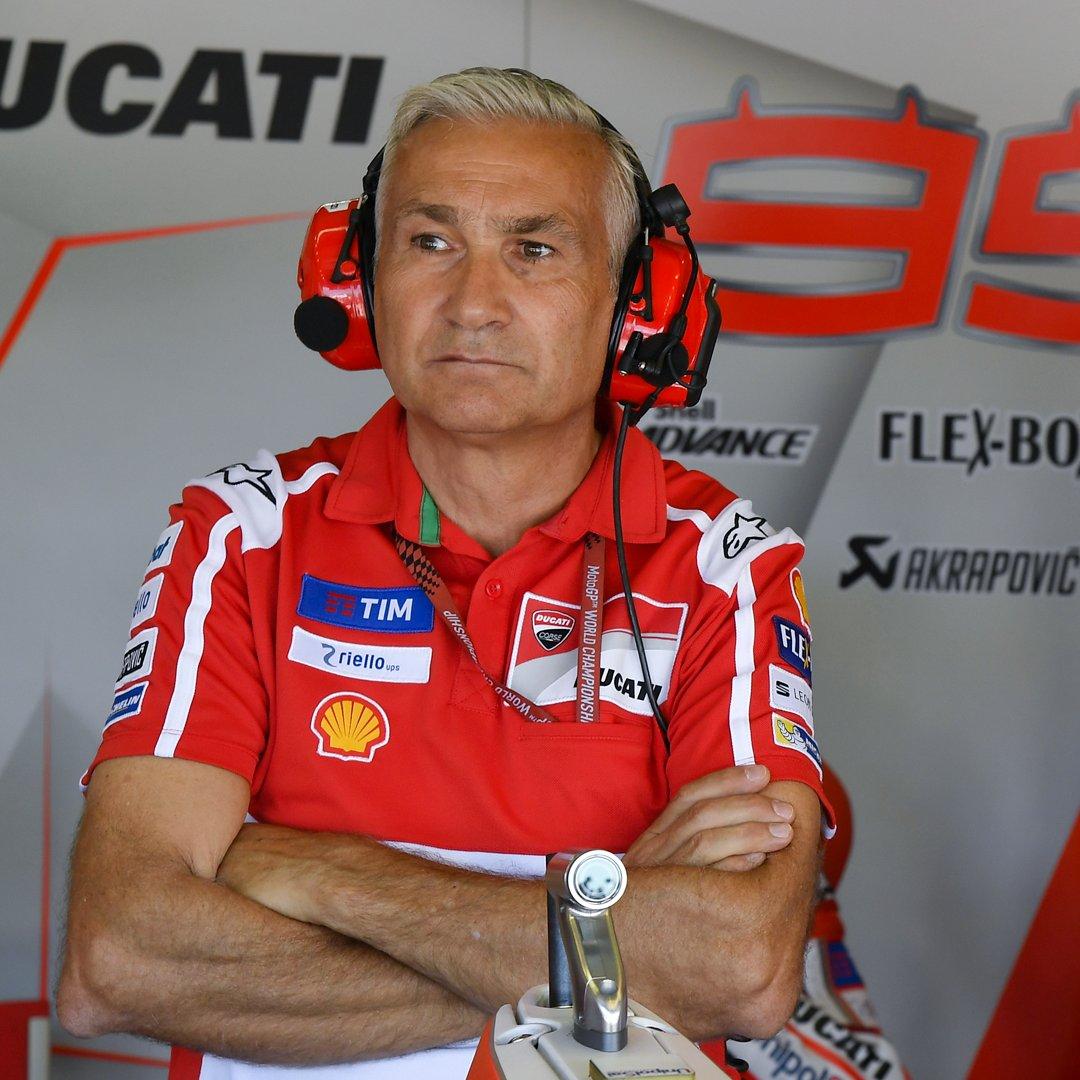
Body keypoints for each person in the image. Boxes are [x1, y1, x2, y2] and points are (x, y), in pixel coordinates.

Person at [57, 68, 833, 1080]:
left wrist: (324, 875)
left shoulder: (727, 565)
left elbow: (739, 968)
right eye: (430, 243)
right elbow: (120, 961)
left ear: (635, 304)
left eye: (535, 250)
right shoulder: (241, 536)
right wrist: (604, 918)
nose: (473, 305)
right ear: (358, 277)